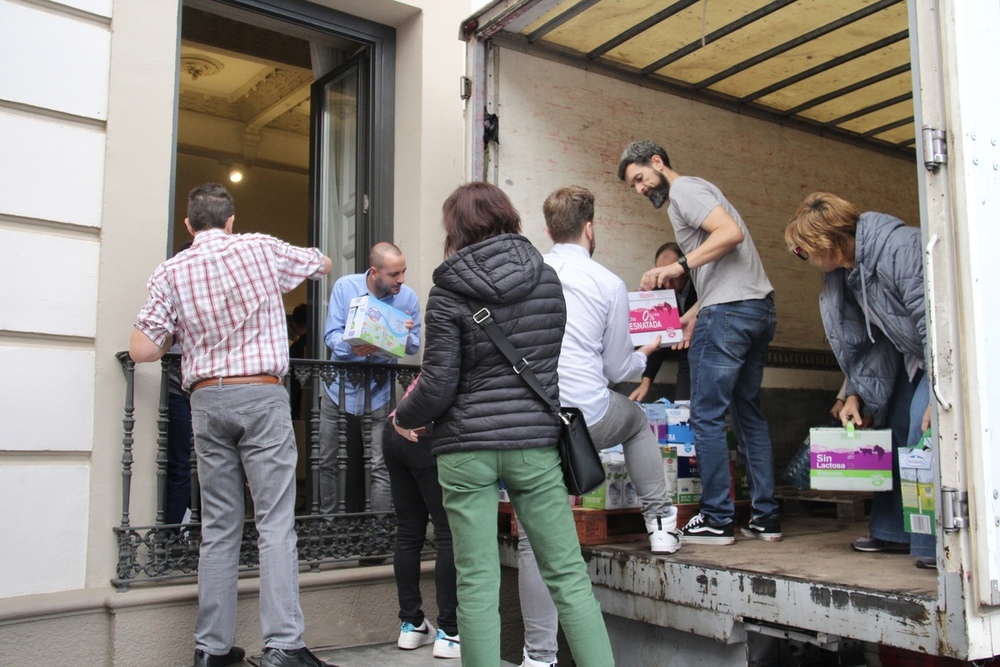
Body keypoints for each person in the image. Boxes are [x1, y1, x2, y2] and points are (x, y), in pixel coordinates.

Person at [393, 182, 615, 667]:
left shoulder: (447, 289)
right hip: (534, 444)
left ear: (457, 228)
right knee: (568, 576)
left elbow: (436, 386)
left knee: (477, 582)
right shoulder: (547, 280)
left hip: (465, 449)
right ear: (508, 217)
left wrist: (401, 417)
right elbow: (545, 365)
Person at [129, 183, 335, 667]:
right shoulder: (259, 248)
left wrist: (187, 325)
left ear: (188, 226)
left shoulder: (170, 271)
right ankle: (283, 644)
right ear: (230, 220)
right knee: (275, 521)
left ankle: (211, 649)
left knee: (218, 526)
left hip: (206, 399)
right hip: (261, 394)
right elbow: (321, 263)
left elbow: (142, 349)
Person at [512, 185, 679, 667]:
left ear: (548, 230)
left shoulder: (525, 275)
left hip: (531, 423)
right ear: (590, 228)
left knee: (534, 540)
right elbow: (616, 370)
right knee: (636, 420)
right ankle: (659, 523)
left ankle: (538, 658)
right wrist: (646, 351)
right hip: (586, 418)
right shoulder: (606, 282)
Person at [619, 140, 781, 545]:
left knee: (706, 414)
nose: (640, 189)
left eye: (640, 178)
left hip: (728, 313)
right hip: (755, 308)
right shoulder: (695, 192)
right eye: (634, 187)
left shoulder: (684, 191)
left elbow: (731, 234)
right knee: (748, 413)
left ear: (658, 162)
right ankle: (766, 517)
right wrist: (689, 316)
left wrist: (677, 266)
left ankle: (717, 518)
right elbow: (721, 275)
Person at [785, 192, 935, 569]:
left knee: (922, 433)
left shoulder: (900, 249)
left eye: (804, 251)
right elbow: (872, 341)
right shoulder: (850, 275)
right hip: (911, 358)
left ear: (826, 240)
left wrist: (940, 388)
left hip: (941, 357)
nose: (805, 260)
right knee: (895, 428)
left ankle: (937, 544)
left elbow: (932, 318)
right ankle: (895, 533)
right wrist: (854, 393)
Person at [319, 243, 421, 514]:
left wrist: (404, 334)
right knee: (327, 459)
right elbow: (331, 335)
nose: (401, 279)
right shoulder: (345, 287)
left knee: (380, 462)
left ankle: (377, 533)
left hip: (380, 390)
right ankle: (328, 528)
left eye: (403, 272)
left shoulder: (408, 298)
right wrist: (352, 347)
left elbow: (414, 346)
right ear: (374, 272)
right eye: (394, 274)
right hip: (338, 388)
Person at [383, 376, 460, 659]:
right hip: (425, 433)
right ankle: (450, 632)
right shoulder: (469, 345)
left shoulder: (443, 344)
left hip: (396, 428)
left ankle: (412, 624)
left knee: (408, 532)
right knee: (448, 533)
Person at [628, 241, 699, 403]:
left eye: (672, 277)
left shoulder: (700, 285)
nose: (667, 284)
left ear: (685, 270)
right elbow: (658, 340)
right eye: (661, 276)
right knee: (682, 404)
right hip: (679, 349)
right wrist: (645, 382)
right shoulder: (659, 289)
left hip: (700, 350)